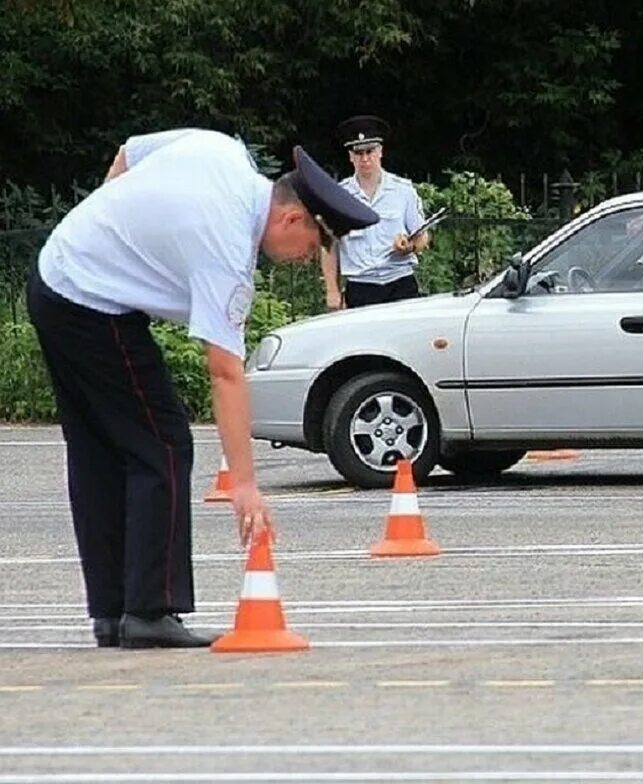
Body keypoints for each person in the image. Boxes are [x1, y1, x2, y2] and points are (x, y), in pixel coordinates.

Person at [25, 128, 379, 649]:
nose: (308, 260)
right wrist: (244, 484)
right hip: (92, 305)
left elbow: (129, 151)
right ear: (291, 218)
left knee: (99, 450)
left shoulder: (221, 150)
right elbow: (225, 371)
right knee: (164, 443)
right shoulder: (228, 250)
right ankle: (148, 611)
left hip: (55, 275)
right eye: (314, 246)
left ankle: (112, 611)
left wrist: (100, 228)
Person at [321, 115, 430, 309]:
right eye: (359, 153)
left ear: (380, 151)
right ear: (350, 156)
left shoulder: (403, 191)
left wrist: (409, 247)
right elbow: (329, 246)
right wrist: (332, 290)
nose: (365, 159)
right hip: (361, 286)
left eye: (370, 151)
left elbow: (422, 237)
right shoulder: (339, 196)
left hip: (400, 283)